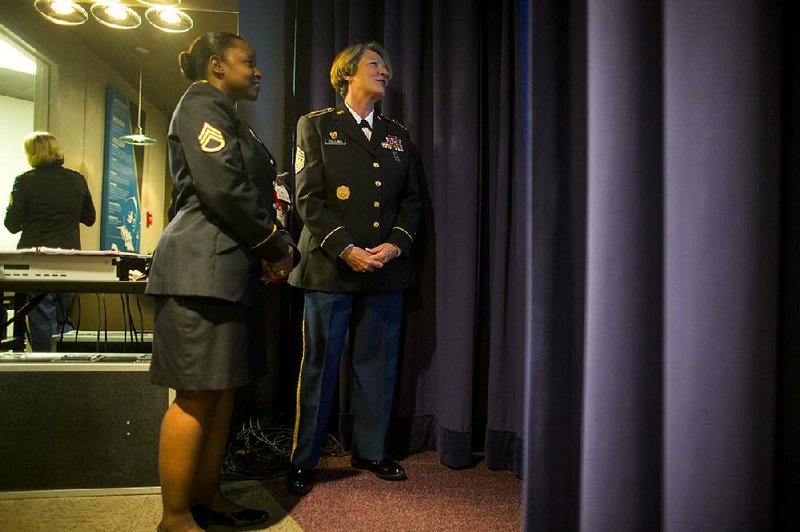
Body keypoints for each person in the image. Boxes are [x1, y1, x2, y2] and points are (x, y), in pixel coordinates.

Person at [145, 32, 297, 531]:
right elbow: (224, 188)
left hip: (225, 268)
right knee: (196, 394)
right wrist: (275, 246)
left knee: (222, 391)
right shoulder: (201, 102)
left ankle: (207, 496)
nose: (257, 71)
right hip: (199, 269)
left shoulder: (227, 112)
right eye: (248, 62)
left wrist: (266, 250)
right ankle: (174, 517)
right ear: (215, 64)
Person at [286, 42, 422, 495]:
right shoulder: (318, 126)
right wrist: (346, 249)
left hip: (384, 270)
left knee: (376, 367)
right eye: (374, 64)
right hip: (330, 268)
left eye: (386, 64)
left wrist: (396, 246)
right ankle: (304, 460)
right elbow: (308, 199)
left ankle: (372, 452)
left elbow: (411, 201)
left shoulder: (398, 134)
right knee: (320, 367)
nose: (385, 70)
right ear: (347, 73)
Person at [4, 131, 96, 351]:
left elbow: (12, 224)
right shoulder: (76, 179)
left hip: (37, 259)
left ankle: (43, 369)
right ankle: (65, 366)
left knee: (41, 314)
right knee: (64, 317)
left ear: (33, 153)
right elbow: (89, 218)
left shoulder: (25, 181)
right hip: (71, 258)